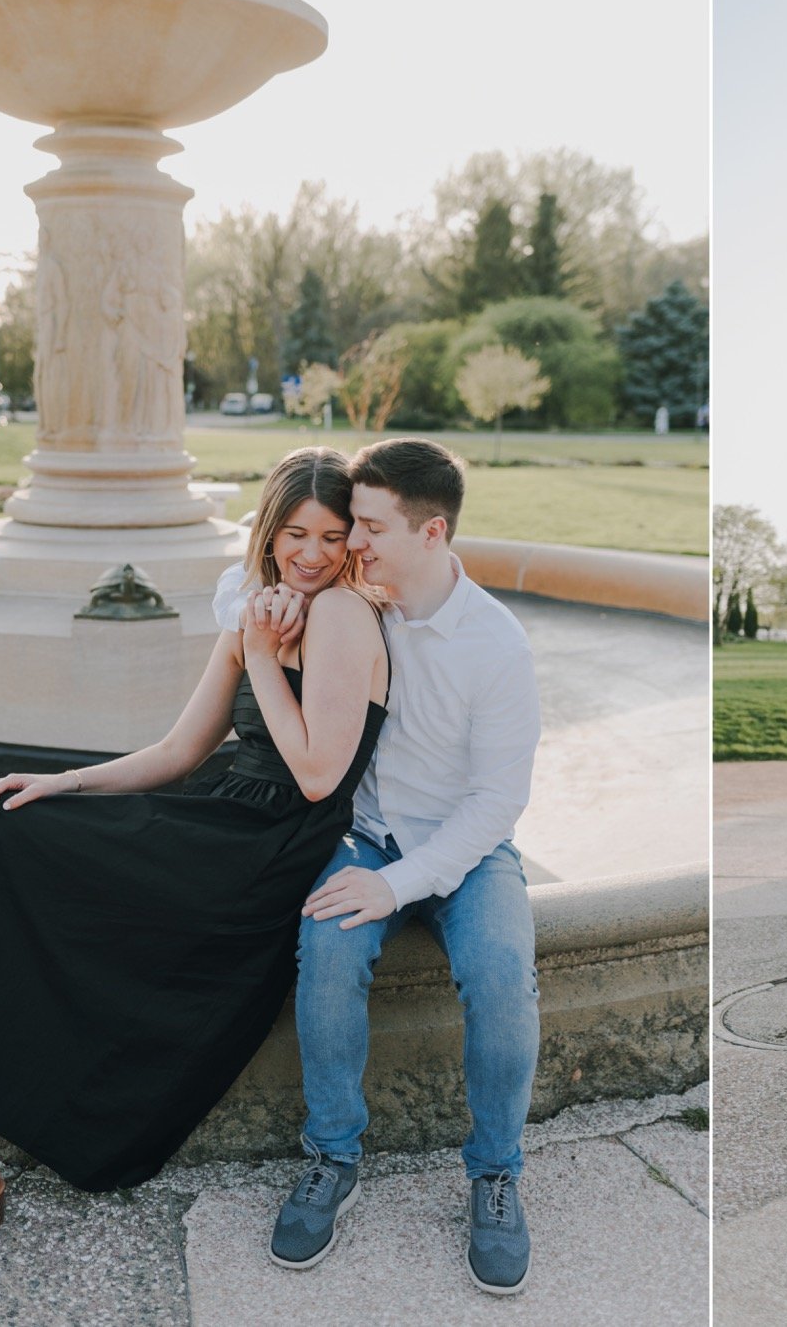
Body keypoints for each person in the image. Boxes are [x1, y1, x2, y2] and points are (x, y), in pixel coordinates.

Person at [0, 446, 390, 1289]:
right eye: (295, 533)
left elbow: (315, 775)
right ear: (268, 534)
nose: (311, 554)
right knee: (9, 823)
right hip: (215, 819)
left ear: (351, 544)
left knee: (16, 864)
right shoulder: (252, 619)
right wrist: (59, 780)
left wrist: (265, 655)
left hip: (265, 855)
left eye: (332, 536)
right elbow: (176, 750)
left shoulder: (341, 613)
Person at [212, 437, 542, 1293]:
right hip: (363, 833)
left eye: (367, 526)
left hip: (467, 850)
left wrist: (399, 883)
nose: (349, 542)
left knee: (502, 970)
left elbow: (496, 803)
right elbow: (239, 590)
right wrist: (265, 613)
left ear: (431, 533)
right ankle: (331, 1155)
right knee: (325, 949)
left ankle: (496, 1173)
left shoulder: (499, 645)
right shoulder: (355, 603)